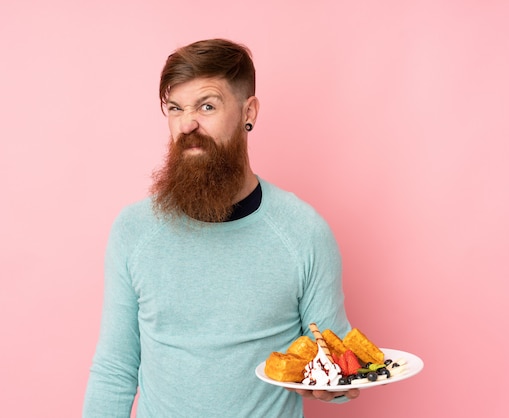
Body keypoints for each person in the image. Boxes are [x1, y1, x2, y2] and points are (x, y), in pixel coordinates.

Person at [83, 38, 359, 418]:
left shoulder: (303, 232)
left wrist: (335, 384)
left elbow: (337, 358)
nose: (187, 123)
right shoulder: (133, 231)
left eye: (207, 106)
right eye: (176, 108)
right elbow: (115, 369)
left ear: (250, 111)